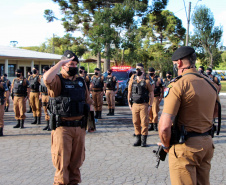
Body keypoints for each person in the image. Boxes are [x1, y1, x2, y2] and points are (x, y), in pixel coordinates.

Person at [158, 46, 219, 185]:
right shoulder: (210, 84)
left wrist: (166, 146)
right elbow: (215, 112)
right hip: (206, 143)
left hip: (184, 147)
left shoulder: (177, 85)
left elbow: (164, 126)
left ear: (179, 63)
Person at [43, 50, 93, 184]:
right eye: (71, 64)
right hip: (62, 128)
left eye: (75, 64)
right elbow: (46, 78)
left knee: (76, 165)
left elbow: (88, 103)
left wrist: (91, 123)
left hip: (79, 128)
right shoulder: (57, 80)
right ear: (63, 65)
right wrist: (60, 63)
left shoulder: (81, 81)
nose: (74, 67)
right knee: (62, 165)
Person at [128, 63, 154, 147]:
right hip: (135, 104)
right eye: (136, 69)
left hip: (144, 104)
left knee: (144, 122)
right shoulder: (132, 79)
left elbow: (151, 92)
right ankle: (138, 139)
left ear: (143, 70)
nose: (137, 71)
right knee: (135, 122)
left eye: (139, 69)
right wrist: (129, 104)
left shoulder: (146, 80)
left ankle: (143, 141)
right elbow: (129, 92)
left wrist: (150, 105)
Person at [148, 67, 164, 131]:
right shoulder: (147, 79)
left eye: (151, 72)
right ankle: (151, 124)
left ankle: (155, 125)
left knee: (155, 111)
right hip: (149, 98)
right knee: (149, 112)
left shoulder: (158, 79)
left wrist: (161, 97)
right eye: (149, 72)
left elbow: (163, 88)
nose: (150, 73)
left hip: (155, 97)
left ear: (154, 72)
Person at [40, 66, 51, 131]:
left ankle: (50, 125)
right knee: (45, 110)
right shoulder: (42, 78)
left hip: (49, 95)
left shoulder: (51, 77)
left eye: (45, 71)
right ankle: (47, 124)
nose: (44, 72)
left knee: (50, 110)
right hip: (43, 95)